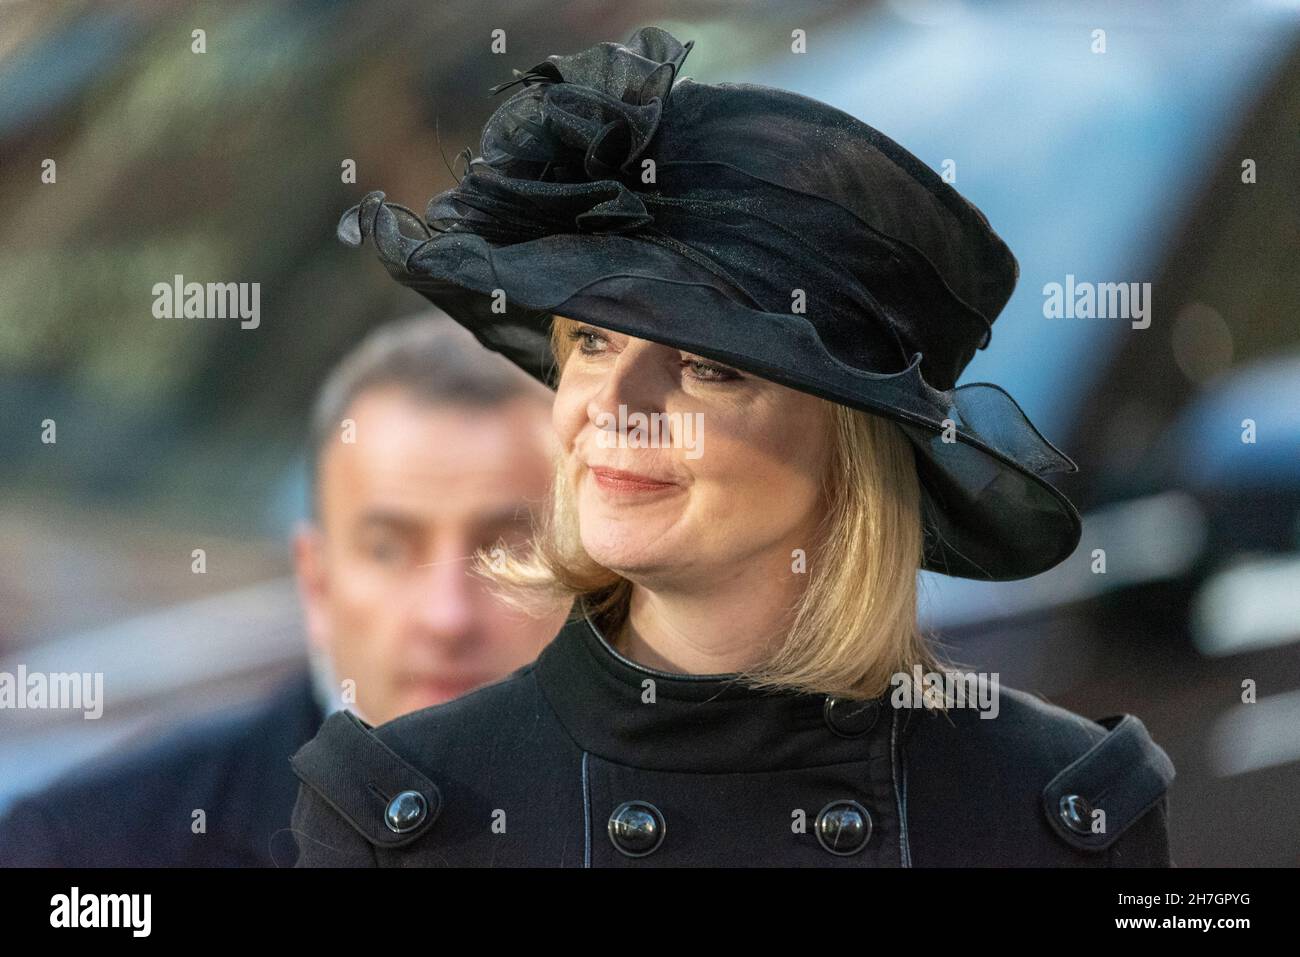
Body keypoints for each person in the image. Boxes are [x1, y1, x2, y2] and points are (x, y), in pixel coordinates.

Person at [289, 26, 1175, 867]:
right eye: (593, 340)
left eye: (707, 366)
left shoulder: (1057, 809)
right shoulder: (407, 816)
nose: (614, 406)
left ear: (850, 443)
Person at [0, 313, 562, 866]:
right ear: (316, 582)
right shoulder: (83, 853)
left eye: (509, 550)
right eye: (387, 550)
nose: (446, 616)